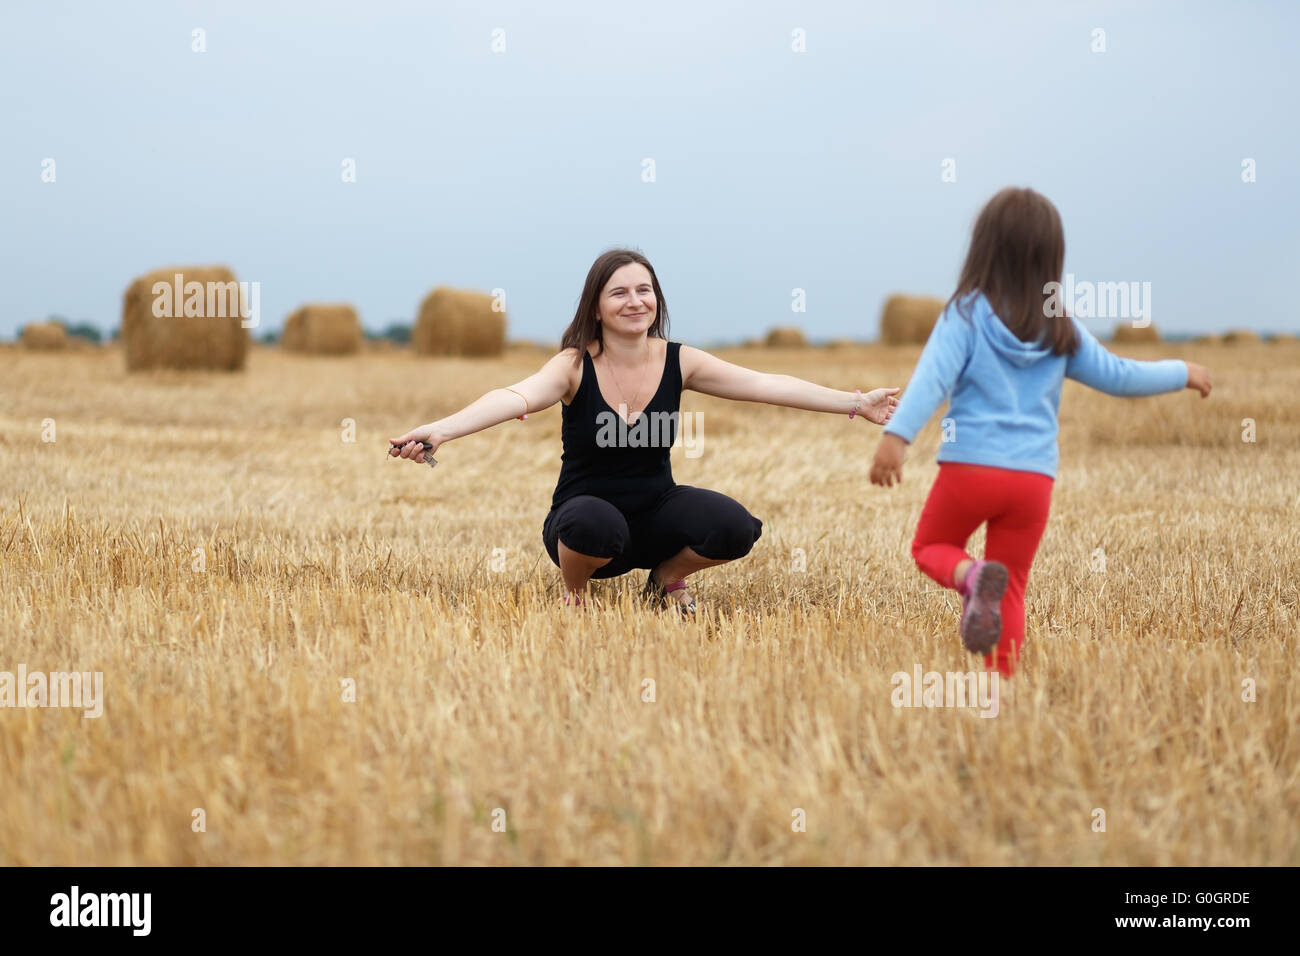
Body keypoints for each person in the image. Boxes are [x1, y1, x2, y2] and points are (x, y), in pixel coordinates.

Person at [392, 248, 901, 613]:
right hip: (583, 517)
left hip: (657, 511)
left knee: (735, 526)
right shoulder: (573, 365)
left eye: (644, 290)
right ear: (596, 306)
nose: (635, 301)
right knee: (594, 525)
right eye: (619, 293)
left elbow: (765, 384)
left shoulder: (680, 361)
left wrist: (855, 403)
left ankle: (665, 579)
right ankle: (576, 591)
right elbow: (514, 396)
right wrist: (441, 430)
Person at [869, 187, 1212, 676]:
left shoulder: (965, 314)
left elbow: (930, 381)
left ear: (982, 247)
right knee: (1011, 588)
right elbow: (1118, 376)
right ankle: (1000, 692)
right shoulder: (1060, 327)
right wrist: (1180, 371)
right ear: (1051, 257)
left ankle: (971, 579)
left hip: (972, 469)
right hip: (1032, 481)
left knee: (931, 548)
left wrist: (896, 437)